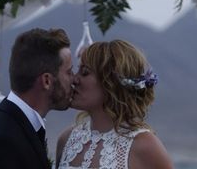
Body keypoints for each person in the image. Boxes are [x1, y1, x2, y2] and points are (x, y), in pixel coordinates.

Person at [0, 28, 74, 169]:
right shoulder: (1, 144)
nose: (74, 79)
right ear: (47, 81)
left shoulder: (14, 126)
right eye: (69, 72)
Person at [56, 40, 173, 169]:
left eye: (85, 72)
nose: (75, 79)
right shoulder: (67, 139)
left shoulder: (146, 146)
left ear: (111, 84)